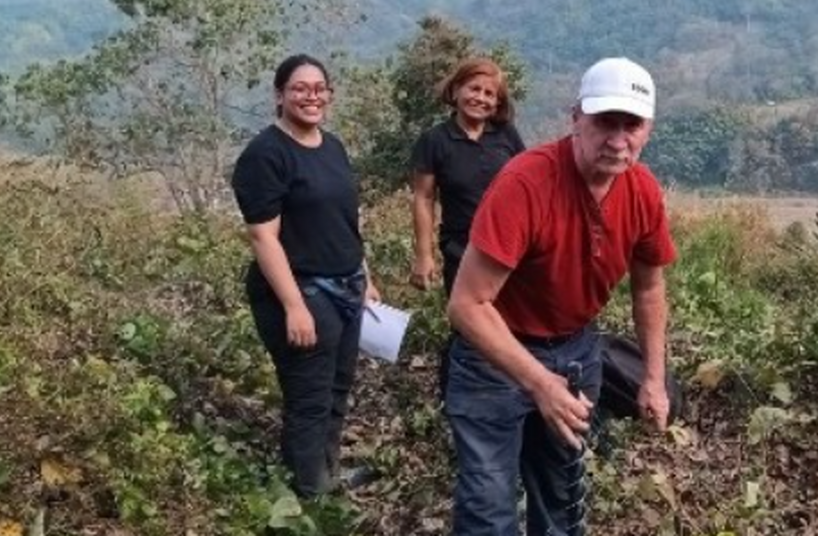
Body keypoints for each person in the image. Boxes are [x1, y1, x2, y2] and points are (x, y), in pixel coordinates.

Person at [445, 56, 676, 536]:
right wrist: (538, 382)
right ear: (576, 119)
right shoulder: (526, 183)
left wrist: (653, 378)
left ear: (648, 129)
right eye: (604, 123)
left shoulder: (643, 192)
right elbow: (467, 305)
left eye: (630, 124)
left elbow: (649, 288)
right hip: (495, 356)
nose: (617, 139)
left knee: (561, 495)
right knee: (489, 506)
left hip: (575, 351)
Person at [231, 53, 382, 499]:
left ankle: (327, 475)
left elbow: (345, 218)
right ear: (279, 95)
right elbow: (263, 237)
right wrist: (294, 305)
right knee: (309, 399)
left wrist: (365, 275)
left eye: (319, 88)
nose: (311, 96)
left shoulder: (332, 145)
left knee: (337, 388)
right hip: (302, 293)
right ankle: (308, 496)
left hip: (345, 286)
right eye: (300, 88)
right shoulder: (265, 155)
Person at [410, 57, 525, 296]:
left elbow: (527, 185)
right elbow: (424, 197)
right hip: (462, 250)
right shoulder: (434, 140)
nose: (480, 98)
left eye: (489, 94)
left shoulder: (506, 136)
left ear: (496, 103)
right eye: (474, 88)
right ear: (456, 90)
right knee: (469, 324)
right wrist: (424, 254)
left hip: (509, 248)